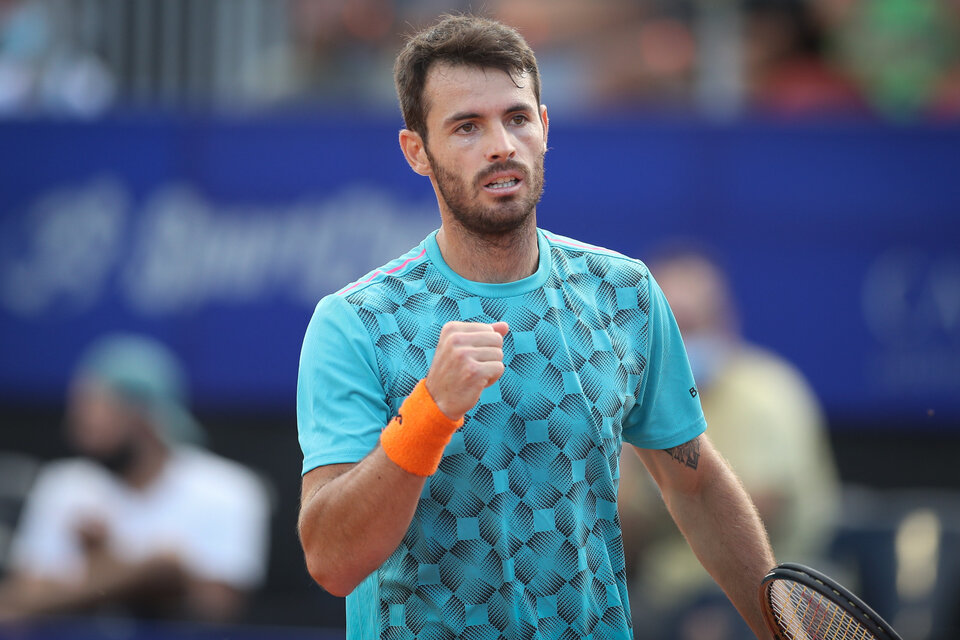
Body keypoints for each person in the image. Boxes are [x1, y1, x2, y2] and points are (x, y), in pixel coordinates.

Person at [296, 14, 776, 640]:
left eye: (517, 118)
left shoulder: (624, 293)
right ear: (417, 152)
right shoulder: (355, 322)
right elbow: (332, 561)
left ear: (544, 128)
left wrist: (781, 628)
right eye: (467, 126)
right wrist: (430, 414)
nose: (501, 145)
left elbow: (698, 487)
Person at [618, 248, 840, 639]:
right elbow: (624, 529)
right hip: (665, 592)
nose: (675, 339)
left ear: (723, 323)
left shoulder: (766, 391)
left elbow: (767, 504)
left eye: (687, 325)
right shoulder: (642, 399)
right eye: (664, 326)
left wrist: (667, 493)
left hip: (767, 590)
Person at [0, 334, 271, 624]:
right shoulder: (63, 484)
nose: (77, 420)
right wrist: (139, 570)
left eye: (95, 405)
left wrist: (100, 571)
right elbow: (18, 602)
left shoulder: (229, 489)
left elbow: (218, 608)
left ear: (142, 416)